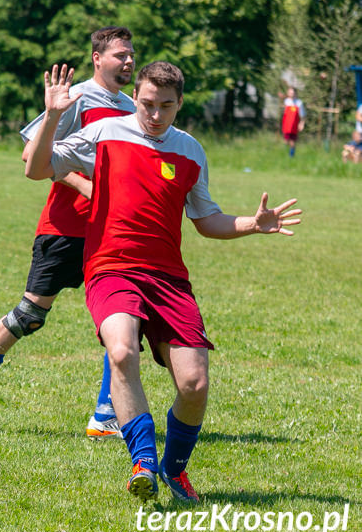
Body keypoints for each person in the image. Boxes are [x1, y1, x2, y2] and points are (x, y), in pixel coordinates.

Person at [25, 61, 301, 502]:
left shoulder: (191, 151)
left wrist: (252, 223)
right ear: (135, 97)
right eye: (148, 104)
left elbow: (206, 219)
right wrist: (54, 116)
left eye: (166, 107)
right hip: (111, 267)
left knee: (194, 385)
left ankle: (174, 470)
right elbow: (37, 168)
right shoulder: (106, 134)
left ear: (180, 104)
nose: (155, 115)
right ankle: (143, 461)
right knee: (120, 349)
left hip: (169, 278)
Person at [0, 27, 136, 439]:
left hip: (110, 231)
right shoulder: (78, 98)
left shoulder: (132, 108)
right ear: (96, 58)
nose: (128, 62)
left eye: (131, 54)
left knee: (119, 318)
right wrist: (89, 189)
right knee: (30, 315)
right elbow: (31, 155)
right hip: (65, 227)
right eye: (119, 54)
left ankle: (106, 414)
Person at [280, 87, 305, 158]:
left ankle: (291, 155)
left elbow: (302, 115)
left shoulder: (299, 103)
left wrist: (301, 124)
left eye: (293, 93)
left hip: (294, 125)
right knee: (286, 140)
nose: (292, 94)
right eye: (290, 93)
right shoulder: (286, 101)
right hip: (287, 124)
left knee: (292, 141)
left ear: (295, 93)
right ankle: (284, 155)